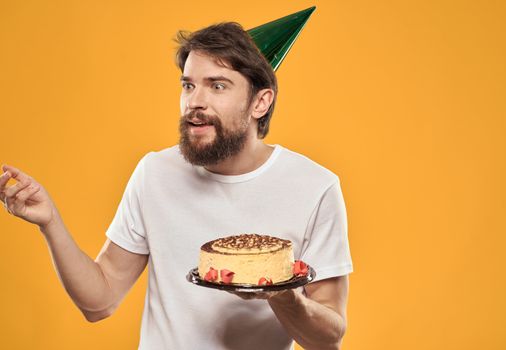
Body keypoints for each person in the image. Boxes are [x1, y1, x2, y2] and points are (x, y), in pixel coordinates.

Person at [0, 18, 353, 350]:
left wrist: (281, 291)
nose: (195, 102)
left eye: (217, 85)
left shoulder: (315, 187)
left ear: (260, 102)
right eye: (188, 85)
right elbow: (100, 301)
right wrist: (50, 222)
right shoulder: (156, 172)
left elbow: (327, 339)